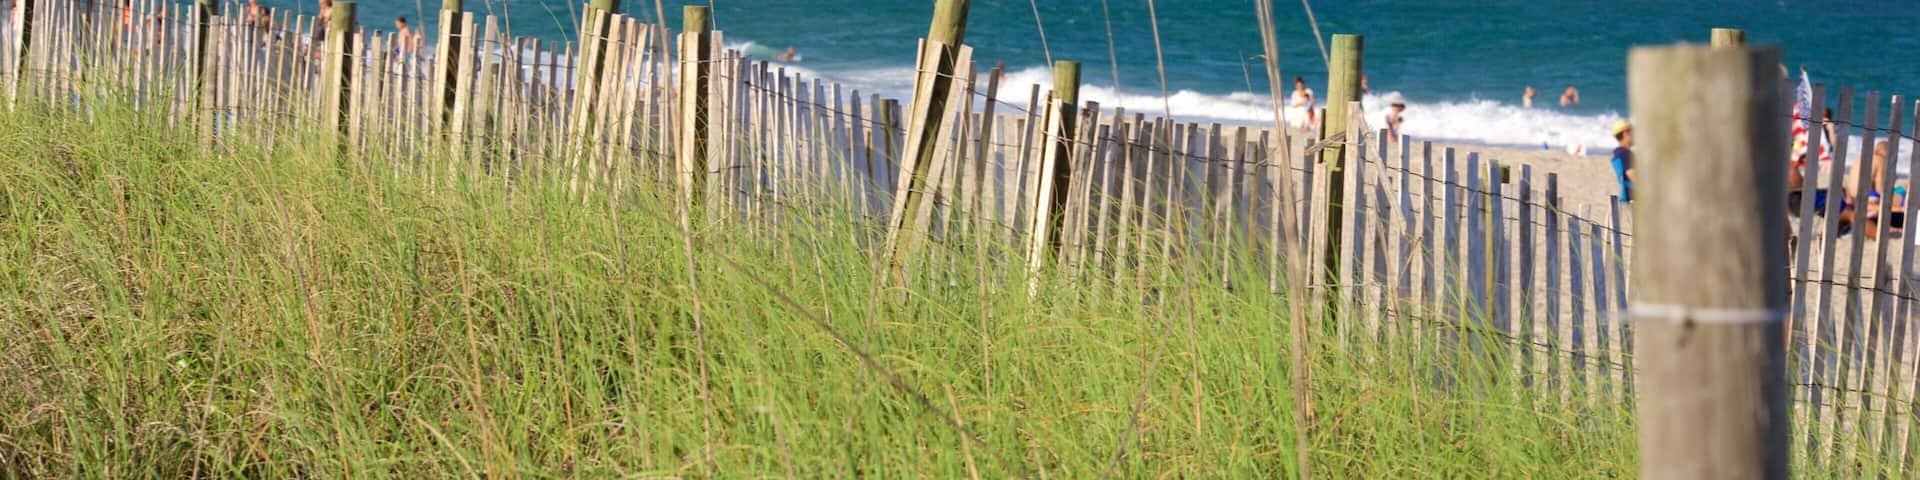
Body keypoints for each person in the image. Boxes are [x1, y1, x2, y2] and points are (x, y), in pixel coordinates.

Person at [1610, 120, 1633, 203]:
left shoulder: (1617, 152)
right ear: (1626, 133)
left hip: (1626, 196)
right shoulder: (1625, 153)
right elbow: (1632, 174)